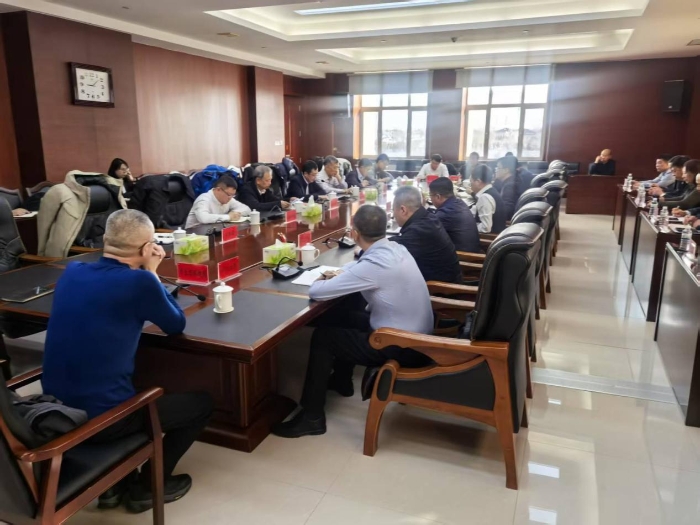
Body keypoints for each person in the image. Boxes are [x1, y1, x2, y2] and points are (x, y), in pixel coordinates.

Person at [41, 209, 213, 513]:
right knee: (201, 404)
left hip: (55, 409)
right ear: (147, 248)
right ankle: (148, 487)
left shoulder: (72, 271)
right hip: (103, 420)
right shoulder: (140, 282)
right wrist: (152, 271)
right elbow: (175, 323)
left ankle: (113, 484)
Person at [271, 205, 433, 438]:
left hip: (401, 344)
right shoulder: (396, 247)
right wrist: (345, 273)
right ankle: (342, 380)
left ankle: (312, 417)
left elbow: (317, 292)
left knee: (324, 338)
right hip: (414, 334)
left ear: (355, 233)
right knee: (340, 316)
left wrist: (324, 277)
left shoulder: (375, 265)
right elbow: (361, 266)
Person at [391, 186, 462, 283]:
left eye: (393, 210)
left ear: (403, 210)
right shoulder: (429, 217)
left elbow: (387, 250)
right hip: (448, 280)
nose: (393, 214)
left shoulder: (418, 231)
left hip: (442, 289)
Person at [428, 177, 480, 253]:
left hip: (464, 257)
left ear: (438, 196)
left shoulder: (445, 213)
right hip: (472, 251)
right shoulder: (459, 202)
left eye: (430, 195)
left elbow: (427, 231)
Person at [185, 175, 250, 228]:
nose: (230, 198)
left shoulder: (229, 199)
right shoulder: (203, 199)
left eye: (233, 195)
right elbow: (203, 218)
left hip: (214, 231)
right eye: (229, 194)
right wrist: (228, 217)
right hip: (195, 234)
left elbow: (246, 209)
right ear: (218, 190)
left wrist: (235, 213)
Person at [469, 164, 507, 234]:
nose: (470, 185)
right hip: (498, 233)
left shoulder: (485, 197)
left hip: (491, 238)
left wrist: (468, 225)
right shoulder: (491, 190)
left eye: (471, 182)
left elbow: (485, 228)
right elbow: (475, 210)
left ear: (478, 182)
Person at [493, 155, 521, 221]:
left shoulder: (509, 186)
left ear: (506, 170)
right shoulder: (514, 180)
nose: (496, 170)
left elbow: (507, 211)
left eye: (498, 168)